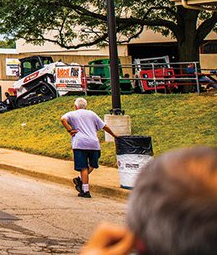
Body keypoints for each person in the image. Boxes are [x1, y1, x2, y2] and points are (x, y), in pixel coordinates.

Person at [79, 146, 217, 255]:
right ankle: (84, 188)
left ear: (138, 241)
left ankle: (84, 189)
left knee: (83, 166)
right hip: (92, 145)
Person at [60, 97, 118, 198]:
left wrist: (70, 130)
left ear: (76, 106)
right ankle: (79, 179)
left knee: (83, 168)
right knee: (92, 165)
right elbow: (104, 126)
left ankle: (85, 190)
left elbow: (63, 119)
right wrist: (114, 136)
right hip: (94, 143)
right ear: (86, 106)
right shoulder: (92, 114)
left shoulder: (73, 114)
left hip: (80, 143)